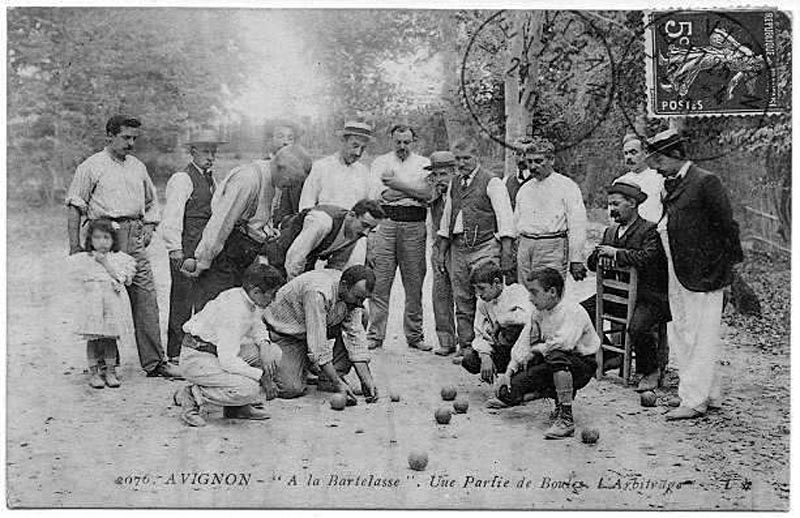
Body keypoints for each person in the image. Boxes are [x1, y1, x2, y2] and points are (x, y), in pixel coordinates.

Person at [65, 115, 179, 378]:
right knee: (105, 299)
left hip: (134, 235)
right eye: (125, 137)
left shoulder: (137, 166)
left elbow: (151, 202)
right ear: (109, 136)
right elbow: (75, 205)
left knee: (146, 298)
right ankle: (106, 366)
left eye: (134, 138)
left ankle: (155, 362)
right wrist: (74, 246)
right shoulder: (91, 166)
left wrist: (149, 226)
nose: (131, 143)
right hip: (104, 237)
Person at [644, 129, 743, 420]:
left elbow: (728, 227)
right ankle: (706, 393)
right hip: (678, 270)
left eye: (659, 159)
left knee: (700, 334)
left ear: (676, 155)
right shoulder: (670, 185)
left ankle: (694, 401)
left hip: (703, 272)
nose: (655, 166)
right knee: (685, 332)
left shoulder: (705, 182)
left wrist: (729, 268)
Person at [183, 142, 307, 309]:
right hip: (223, 255)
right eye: (291, 181)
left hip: (244, 255)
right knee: (214, 313)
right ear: (280, 167)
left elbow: (260, 216)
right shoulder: (248, 179)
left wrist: (269, 231)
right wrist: (203, 261)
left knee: (238, 311)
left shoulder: (274, 180)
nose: (292, 187)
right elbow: (220, 224)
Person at [492, 267, 600, 439]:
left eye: (534, 293)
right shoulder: (538, 312)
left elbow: (564, 343)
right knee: (507, 392)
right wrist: (509, 372)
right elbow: (524, 342)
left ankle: (566, 418)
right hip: (553, 361)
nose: (530, 298)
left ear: (552, 292)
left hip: (581, 365)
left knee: (555, 354)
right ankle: (545, 394)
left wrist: (536, 350)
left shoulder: (573, 310)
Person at [174, 263, 285, 427]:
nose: (273, 300)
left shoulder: (247, 298)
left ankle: (236, 408)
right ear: (256, 291)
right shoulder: (234, 311)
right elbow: (228, 360)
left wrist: (265, 345)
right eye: (271, 294)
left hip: (217, 352)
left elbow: (257, 326)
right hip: (198, 358)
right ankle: (192, 395)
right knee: (249, 388)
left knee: (273, 354)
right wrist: (262, 377)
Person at [586, 181, 671, 392]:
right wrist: (598, 256)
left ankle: (650, 370)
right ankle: (611, 355)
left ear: (632, 203)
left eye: (616, 204)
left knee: (638, 327)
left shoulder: (649, 230)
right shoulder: (610, 232)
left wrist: (616, 254)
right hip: (616, 295)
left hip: (649, 296)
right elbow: (591, 264)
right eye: (609, 205)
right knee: (581, 312)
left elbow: (648, 257)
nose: (612, 209)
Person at [434, 139, 515, 359]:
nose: (462, 163)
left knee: (488, 296)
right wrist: (441, 251)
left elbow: (505, 218)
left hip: (485, 246)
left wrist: (506, 252)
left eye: (466, 158)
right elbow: (447, 217)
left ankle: (493, 346)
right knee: (462, 299)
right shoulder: (455, 183)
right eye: (458, 159)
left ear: (476, 156)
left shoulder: (492, 181)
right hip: (459, 247)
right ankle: (467, 347)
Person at [264, 266, 378, 403]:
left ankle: (327, 377)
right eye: (358, 297)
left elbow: (355, 337)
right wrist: (338, 385)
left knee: (362, 315)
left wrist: (367, 380)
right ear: (344, 286)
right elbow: (318, 346)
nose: (360, 303)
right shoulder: (318, 292)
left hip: (311, 329)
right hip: (286, 335)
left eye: (364, 299)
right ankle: (267, 365)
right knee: (291, 388)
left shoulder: (351, 295)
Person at [160, 129, 226, 364]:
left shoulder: (212, 180)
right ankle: (175, 353)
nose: (210, 156)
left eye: (213, 152)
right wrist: (175, 250)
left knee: (204, 298)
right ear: (193, 151)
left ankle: (197, 350)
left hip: (204, 249)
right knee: (182, 299)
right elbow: (172, 216)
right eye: (206, 151)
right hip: (186, 248)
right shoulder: (182, 179)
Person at [366, 124, 433, 351]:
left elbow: (428, 194)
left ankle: (415, 336)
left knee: (414, 283)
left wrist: (396, 184)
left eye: (406, 142)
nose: (402, 146)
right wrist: (411, 189)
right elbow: (379, 195)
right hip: (386, 223)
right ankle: (375, 335)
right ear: (391, 140)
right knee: (380, 281)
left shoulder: (424, 164)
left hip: (414, 224)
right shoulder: (380, 162)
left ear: (413, 141)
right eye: (398, 142)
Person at [66, 219, 136, 388]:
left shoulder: (119, 258)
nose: (102, 242)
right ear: (90, 240)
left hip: (112, 302)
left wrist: (105, 262)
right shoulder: (84, 259)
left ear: (113, 240)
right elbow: (75, 280)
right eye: (97, 237)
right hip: (93, 303)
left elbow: (123, 279)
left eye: (106, 237)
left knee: (109, 338)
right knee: (93, 338)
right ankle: (94, 372)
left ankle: (110, 371)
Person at [513, 136, 588, 285]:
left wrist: (576, 259)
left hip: (552, 247)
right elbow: (516, 223)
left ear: (551, 160)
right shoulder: (525, 189)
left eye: (539, 161)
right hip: (525, 246)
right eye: (530, 162)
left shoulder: (567, 186)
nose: (533, 167)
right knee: (524, 294)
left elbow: (578, 225)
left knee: (549, 293)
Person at [266, 199, 385, 280]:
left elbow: (336, 266)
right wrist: (296, 288)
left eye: (372, 228)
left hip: (306, 258)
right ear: (351, 215)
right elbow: (295, 258)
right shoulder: (322, 222)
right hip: (282, 252)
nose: (366, 233)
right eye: (365, 225)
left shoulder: (356, 230)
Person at [461, 261, 532, 384]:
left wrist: (501, 321)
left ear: (497, 283)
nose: (479, 294)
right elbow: (479, 333)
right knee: (470, 360)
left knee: (512, 329)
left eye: (482, 288)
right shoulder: (482, 302)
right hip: (503, 349)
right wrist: (485, 356)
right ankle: (507, 374)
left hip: (525, 348)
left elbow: (528, 318)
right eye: (476, 289)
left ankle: (522, 376)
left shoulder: (517, 291)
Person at [299, 120, 375, 211]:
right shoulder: (321, 167)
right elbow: (306, 203)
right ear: (342, 141)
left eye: (363, 148)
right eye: (355, 146)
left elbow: (370, 206)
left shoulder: (363, 172)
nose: (358, 153)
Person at [425, 151, 458, 356]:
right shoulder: (433, 194)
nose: (439, 180)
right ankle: (446, 340)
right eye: (435, 175)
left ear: (454, 173)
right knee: (440, 292)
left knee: (463, 294)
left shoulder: (461, 191)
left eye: (444, 174)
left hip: (460, 246)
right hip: (439, 246)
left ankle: (468, 342)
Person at [614, 134, 664, 223]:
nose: (629, 157)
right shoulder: (619, 183)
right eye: (626, 153)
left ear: (645, 153)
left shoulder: (659, 179)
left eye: (633, 152)